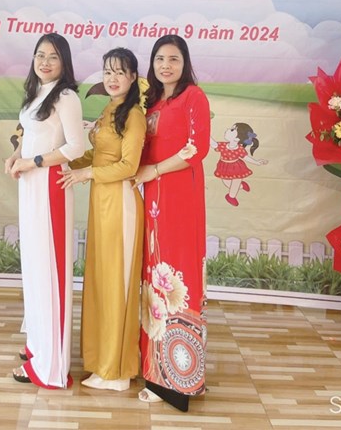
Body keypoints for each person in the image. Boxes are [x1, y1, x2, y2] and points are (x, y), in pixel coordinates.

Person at [59, 48, 146, 391]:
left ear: (133, 77)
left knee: (115, 285)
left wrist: (87, 174)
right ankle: (102, 363)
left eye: (120, 72)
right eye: (108, 71)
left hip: (121, 203)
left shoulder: (134, 115)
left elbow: (129, 166)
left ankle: (118, 372)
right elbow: (97, 154)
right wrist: (63, 164)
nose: (112, 78)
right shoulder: (111, 109)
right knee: (101, 282)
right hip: (102, 203)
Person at [133, 34, 211, 412]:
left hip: (181, 198)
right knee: (154, 279)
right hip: (153, 200)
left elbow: (197, 148)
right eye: (160, 59)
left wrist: (155, 171)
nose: (166, 65)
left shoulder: (193, 97)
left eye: (174, 59)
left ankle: (179, 380)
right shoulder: (153, 102)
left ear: (185, 63)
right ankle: (156, 369)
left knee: (179, 279)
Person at [5, 33, 86, 389]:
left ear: (64, 62)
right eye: (40, 55)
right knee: (35, 269)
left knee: (49, 271)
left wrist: (33, 161)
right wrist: (15, 156)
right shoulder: (37, 92)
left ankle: (52, 365)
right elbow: (28, 133)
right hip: (30, 184)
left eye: (53, 56)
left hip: (50, 185)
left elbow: (76, 147)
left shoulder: (66, 96)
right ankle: (38, 346)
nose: (45, 62)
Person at [211, 122, 268, 206]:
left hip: (237, 167)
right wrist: (206, 135)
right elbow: (213, 144)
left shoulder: (239, 149)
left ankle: (231, 197)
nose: (227, 129)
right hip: (224, 167)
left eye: (232, 130)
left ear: (237, 139)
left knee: (236, 181)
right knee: (227, 183)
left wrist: (256, 162)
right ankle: (241, 186)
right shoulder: (223, 145)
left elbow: (246, 157)